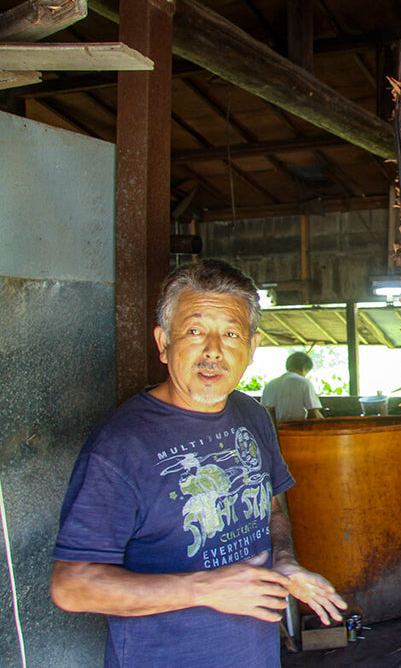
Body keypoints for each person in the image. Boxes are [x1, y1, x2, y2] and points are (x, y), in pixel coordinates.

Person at [50, 259, 346, 667]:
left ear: (252, 347)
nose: (213, 351)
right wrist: (205, 589)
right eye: (194, 331)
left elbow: (272, 506)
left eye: (230, 333)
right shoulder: (120, 447)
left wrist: (284, 561)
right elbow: (71, 586)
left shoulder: (252, 415)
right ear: (162, 342)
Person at [261, 351, 324, 422]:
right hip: (297, 429)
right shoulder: (304, 383)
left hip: (275, 430)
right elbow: (314, 413)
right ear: (304, 368)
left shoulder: (270, 384)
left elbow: (265, 412)